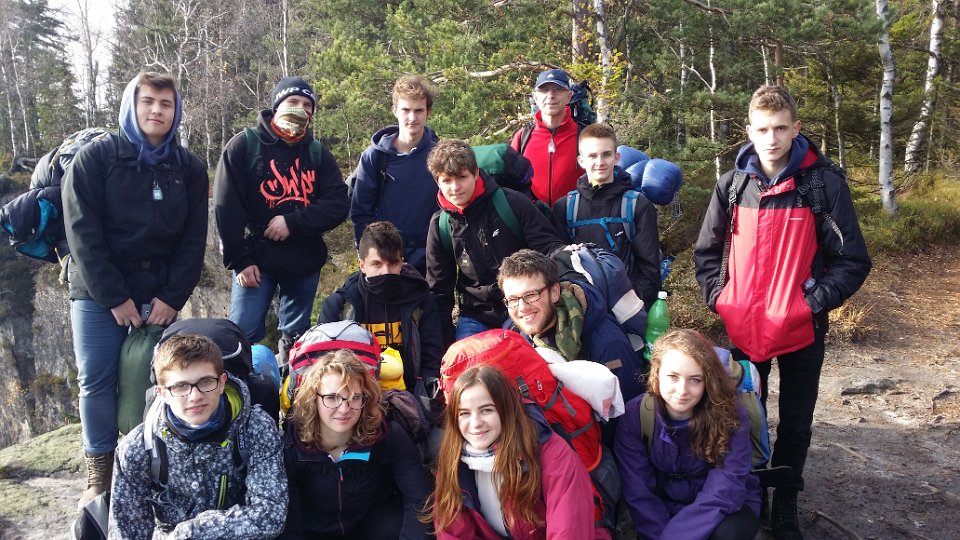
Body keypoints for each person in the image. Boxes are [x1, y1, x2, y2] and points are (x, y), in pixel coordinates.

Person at [693, 85, 871, 539]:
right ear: (748, 130)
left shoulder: (822, 185)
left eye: (780, 128)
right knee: (740, 415)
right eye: (762, 129)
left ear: (796, 128)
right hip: (743, 326)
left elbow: (852, 260)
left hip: (799, 328)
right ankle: (748, 490)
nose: (771, 139)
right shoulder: (733, 185)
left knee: (795, 421)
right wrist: (721, 298)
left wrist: (809, 303)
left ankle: (786, 500)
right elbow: (707, 252)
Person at [62, 72, 209, 509]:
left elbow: (193, 241)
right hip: (97, 289)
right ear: (132, 104)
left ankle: (150, 462)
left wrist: (172, 297)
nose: (156, 111)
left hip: (159, 289)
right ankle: (100, 472)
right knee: (97, 378)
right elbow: (81, 233)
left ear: (176, 111)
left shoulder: (188, 168)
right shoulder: (96, 159)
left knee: (161, 378)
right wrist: (114, 297)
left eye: (166, 104)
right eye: (148, 101)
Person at [213, 75, 349, 361]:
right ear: (276, 105)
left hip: (303, 259)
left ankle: (292, 384)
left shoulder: (317, 153)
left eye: (307, 104)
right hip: (255, 260)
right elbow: (226, 207)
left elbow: (338, 204)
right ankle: (242, 385)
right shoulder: (244, 146)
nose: (300, 109)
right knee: (242, 335)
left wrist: (293, 222)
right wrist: (239, 260)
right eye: (293, 101)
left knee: (297, 338)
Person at [109, 335, 288, 539]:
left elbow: (270, 515)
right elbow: (126, 531)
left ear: (222, 383)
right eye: (180, 386)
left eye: (205, 381)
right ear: (162, 393)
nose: (195, 396)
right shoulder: (137, 447)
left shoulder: (255, 427)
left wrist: (191, 533)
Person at [429, 365, 608, 539]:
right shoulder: (453, 461)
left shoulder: (554, 455)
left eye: (486, 410)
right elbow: (452, 532)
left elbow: (568, 531)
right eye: (464, 413)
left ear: (507, 410)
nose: (475, 423)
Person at [614, 329, 762, 540]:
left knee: (728, 534)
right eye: (673, 377)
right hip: (665, 504)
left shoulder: (730, 413)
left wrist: (674, 536)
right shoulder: (635, 415)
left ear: (707, 381)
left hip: (723, 504)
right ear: (657, 374)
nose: (682, 390)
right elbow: (639, 489)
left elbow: (727, 484)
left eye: (695, 380)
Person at [279, 349, 432, 539]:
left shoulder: (386, 435)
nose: (344, 409)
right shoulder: (294, 448)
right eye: (332, 398)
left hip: (374, 529)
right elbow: (290, 522)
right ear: (314, 399)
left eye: (355, 398)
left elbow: (418, 499)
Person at [425, 139, 566, 344]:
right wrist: (445, 342)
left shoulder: (511, 203)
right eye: (447, 180)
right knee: (468, 362)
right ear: (437, 181)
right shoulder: (441, 225)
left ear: (475, 173)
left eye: (462, 177)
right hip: (475, 315)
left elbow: (548, 248)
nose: (455, 187)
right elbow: (439, 289)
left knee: (520, 358)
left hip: (523, 306)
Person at [318, 221, 444, 419]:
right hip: (353, 399)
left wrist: (421, 401)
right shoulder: (340, 305)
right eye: (377, 264)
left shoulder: (420, 301)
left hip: (409, 397)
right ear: (362, 265)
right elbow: (324, 363)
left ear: (401, 263)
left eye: (392, 263)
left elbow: (432, 358)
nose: (385, 272)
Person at [499, 248, 643, 402]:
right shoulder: (510, 337)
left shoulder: (609, 345)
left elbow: (630, 409)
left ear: (554, 292)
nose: (522, 308)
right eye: (512, 299)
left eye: (531, 295)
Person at [553, 123, 661, 309]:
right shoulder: (565, 207)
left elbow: (650, 268)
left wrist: (632, 306)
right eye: (592, 156)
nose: (600, 162)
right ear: (581, 160)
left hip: (628, 306)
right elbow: (558, 265)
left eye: (606, 154)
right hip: (582, 307)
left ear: (616, 157)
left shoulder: (637, 204)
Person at [350, 75, 440, 274]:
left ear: (428, 112)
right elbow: (361, 212)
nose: (412, 117)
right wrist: (366, 255)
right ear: (394, 110)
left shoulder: (439, 155)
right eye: (406, 110)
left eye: (419, 110)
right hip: (386, 259)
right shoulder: (375, 157)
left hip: (430, 258)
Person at [510, 68, 584, 206]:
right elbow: (510, 181)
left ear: (569, 96)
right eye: (544, 90)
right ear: (536, 97)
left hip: (575, 216)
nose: (551, 95)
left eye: (558, 89)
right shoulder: (522, 137)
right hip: (532, 216)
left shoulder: (584, 136)